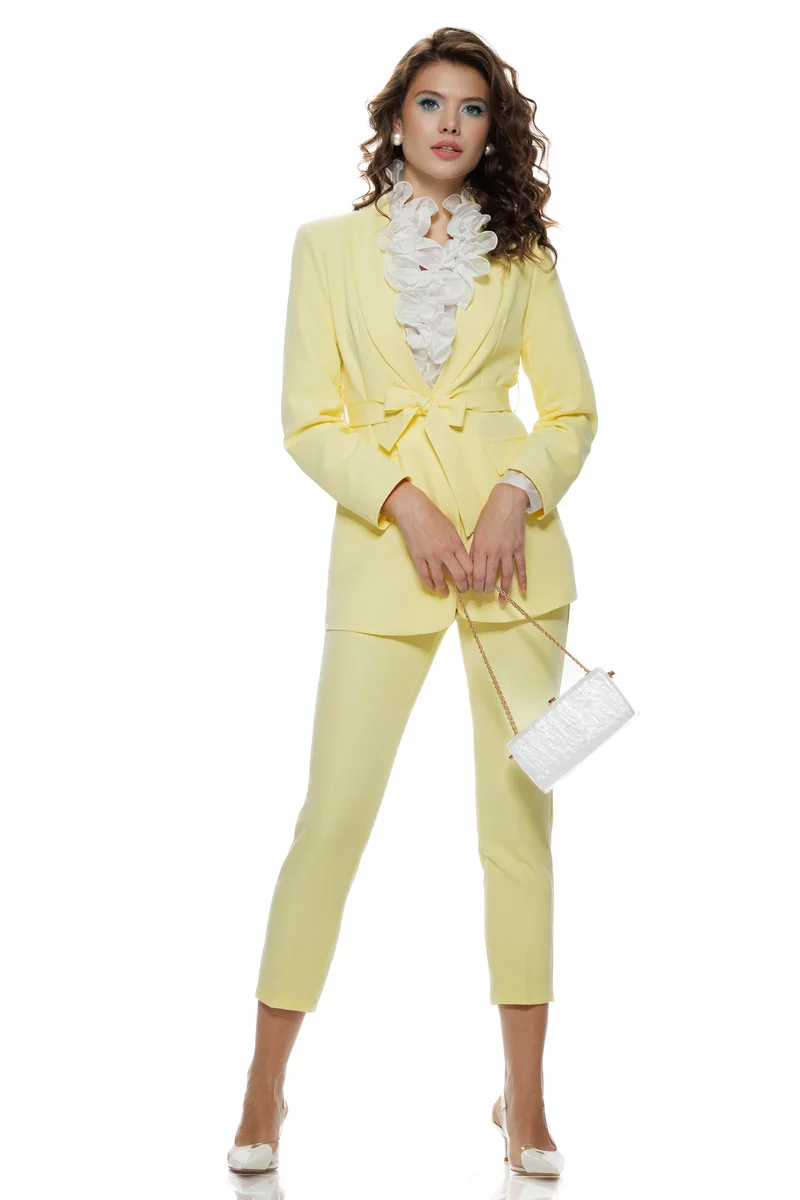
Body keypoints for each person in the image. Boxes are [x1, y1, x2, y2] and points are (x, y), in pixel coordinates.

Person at [228, 26, 598, 1181]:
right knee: (331, 819)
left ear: (492, 130)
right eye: (430, 102)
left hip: (512, 564)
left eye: (472, 108)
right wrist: (404, 503)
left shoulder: (521, 261)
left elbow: (571, 412)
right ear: (396, 117)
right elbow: (307, 418)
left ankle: (524, 1102)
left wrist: (510, 494)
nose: (449, 124)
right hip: (386, 557)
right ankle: (263, 1084)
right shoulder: (325, 249)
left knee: (516, 831)